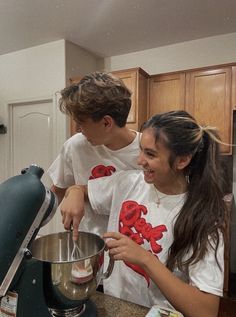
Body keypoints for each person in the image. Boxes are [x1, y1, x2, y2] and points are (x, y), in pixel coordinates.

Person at [61, 110, 226, 317]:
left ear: (182, 161)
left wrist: (145, 259)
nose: (139, 161)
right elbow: (82, 191)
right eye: (140, 151)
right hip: (115, 306)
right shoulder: (127, 183)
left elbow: (206, 311)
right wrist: (75, 192)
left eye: (150, 154)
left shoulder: (203, 218)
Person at [47, 71, 141, 239]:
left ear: (106, 122)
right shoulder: (75, 146)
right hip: (88, 247)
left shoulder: (149, 153)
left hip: (133, 251)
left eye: (81, 123)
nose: (77, 130)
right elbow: (58, 190)